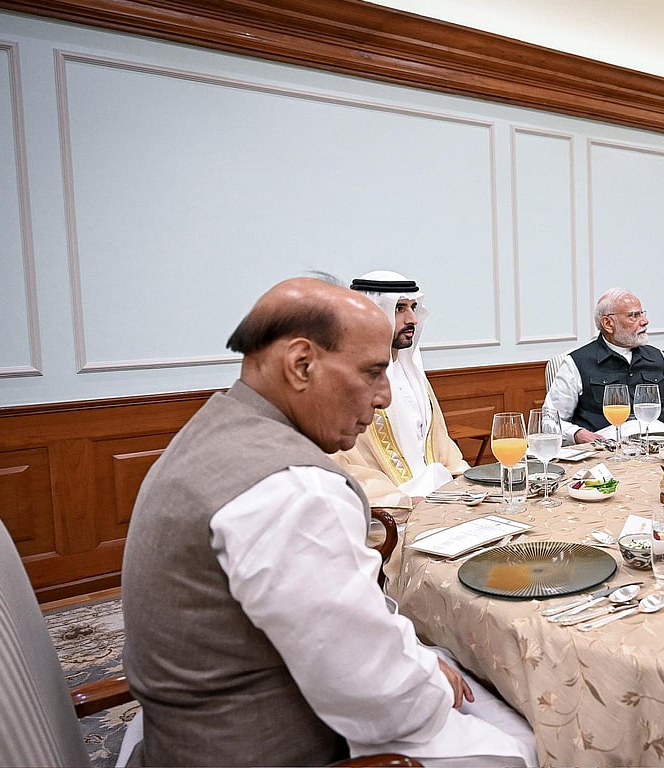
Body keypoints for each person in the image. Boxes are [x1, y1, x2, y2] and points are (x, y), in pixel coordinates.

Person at [122, 278, 536, 767]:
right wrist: (428, 680)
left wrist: (420, 664)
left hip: (189, 722)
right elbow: (383, 699)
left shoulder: (216, 429)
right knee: (531, 738)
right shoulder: (292, 488)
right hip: (261, 745)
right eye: (372, 372)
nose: (383, 396)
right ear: (302, 365)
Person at [333, 271, 469, 518]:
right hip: (388, 520)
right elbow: (339, 472)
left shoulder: (412, 373)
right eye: (399, 309)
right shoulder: (342, 385)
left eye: (414, 307)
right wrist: (405, 501)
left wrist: (465, 481)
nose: (413, 319)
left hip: (441, 503)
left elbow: (440, 445)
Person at [544, 287, 664, 444]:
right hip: (605, 454)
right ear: (608, 323)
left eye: (642, 313)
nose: (645, 321)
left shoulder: (656, 356)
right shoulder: (576, 363)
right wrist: (577, 434)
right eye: (634, 316)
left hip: (660, 451)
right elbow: (550, 420)